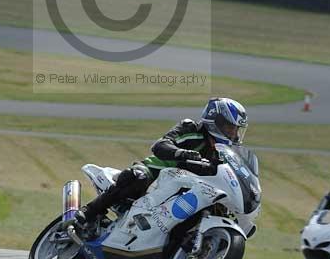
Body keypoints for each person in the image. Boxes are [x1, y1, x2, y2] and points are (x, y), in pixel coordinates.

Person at [74, 97, 248, 227]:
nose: (233, 134)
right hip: (156, 175)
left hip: (187, 189)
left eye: (236, 130)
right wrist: (181, 153)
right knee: (137, 176)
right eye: (230, 128)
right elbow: (159, 145)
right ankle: (89, 211)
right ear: (215, 121)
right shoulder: (190, 128)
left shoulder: (223, 153)